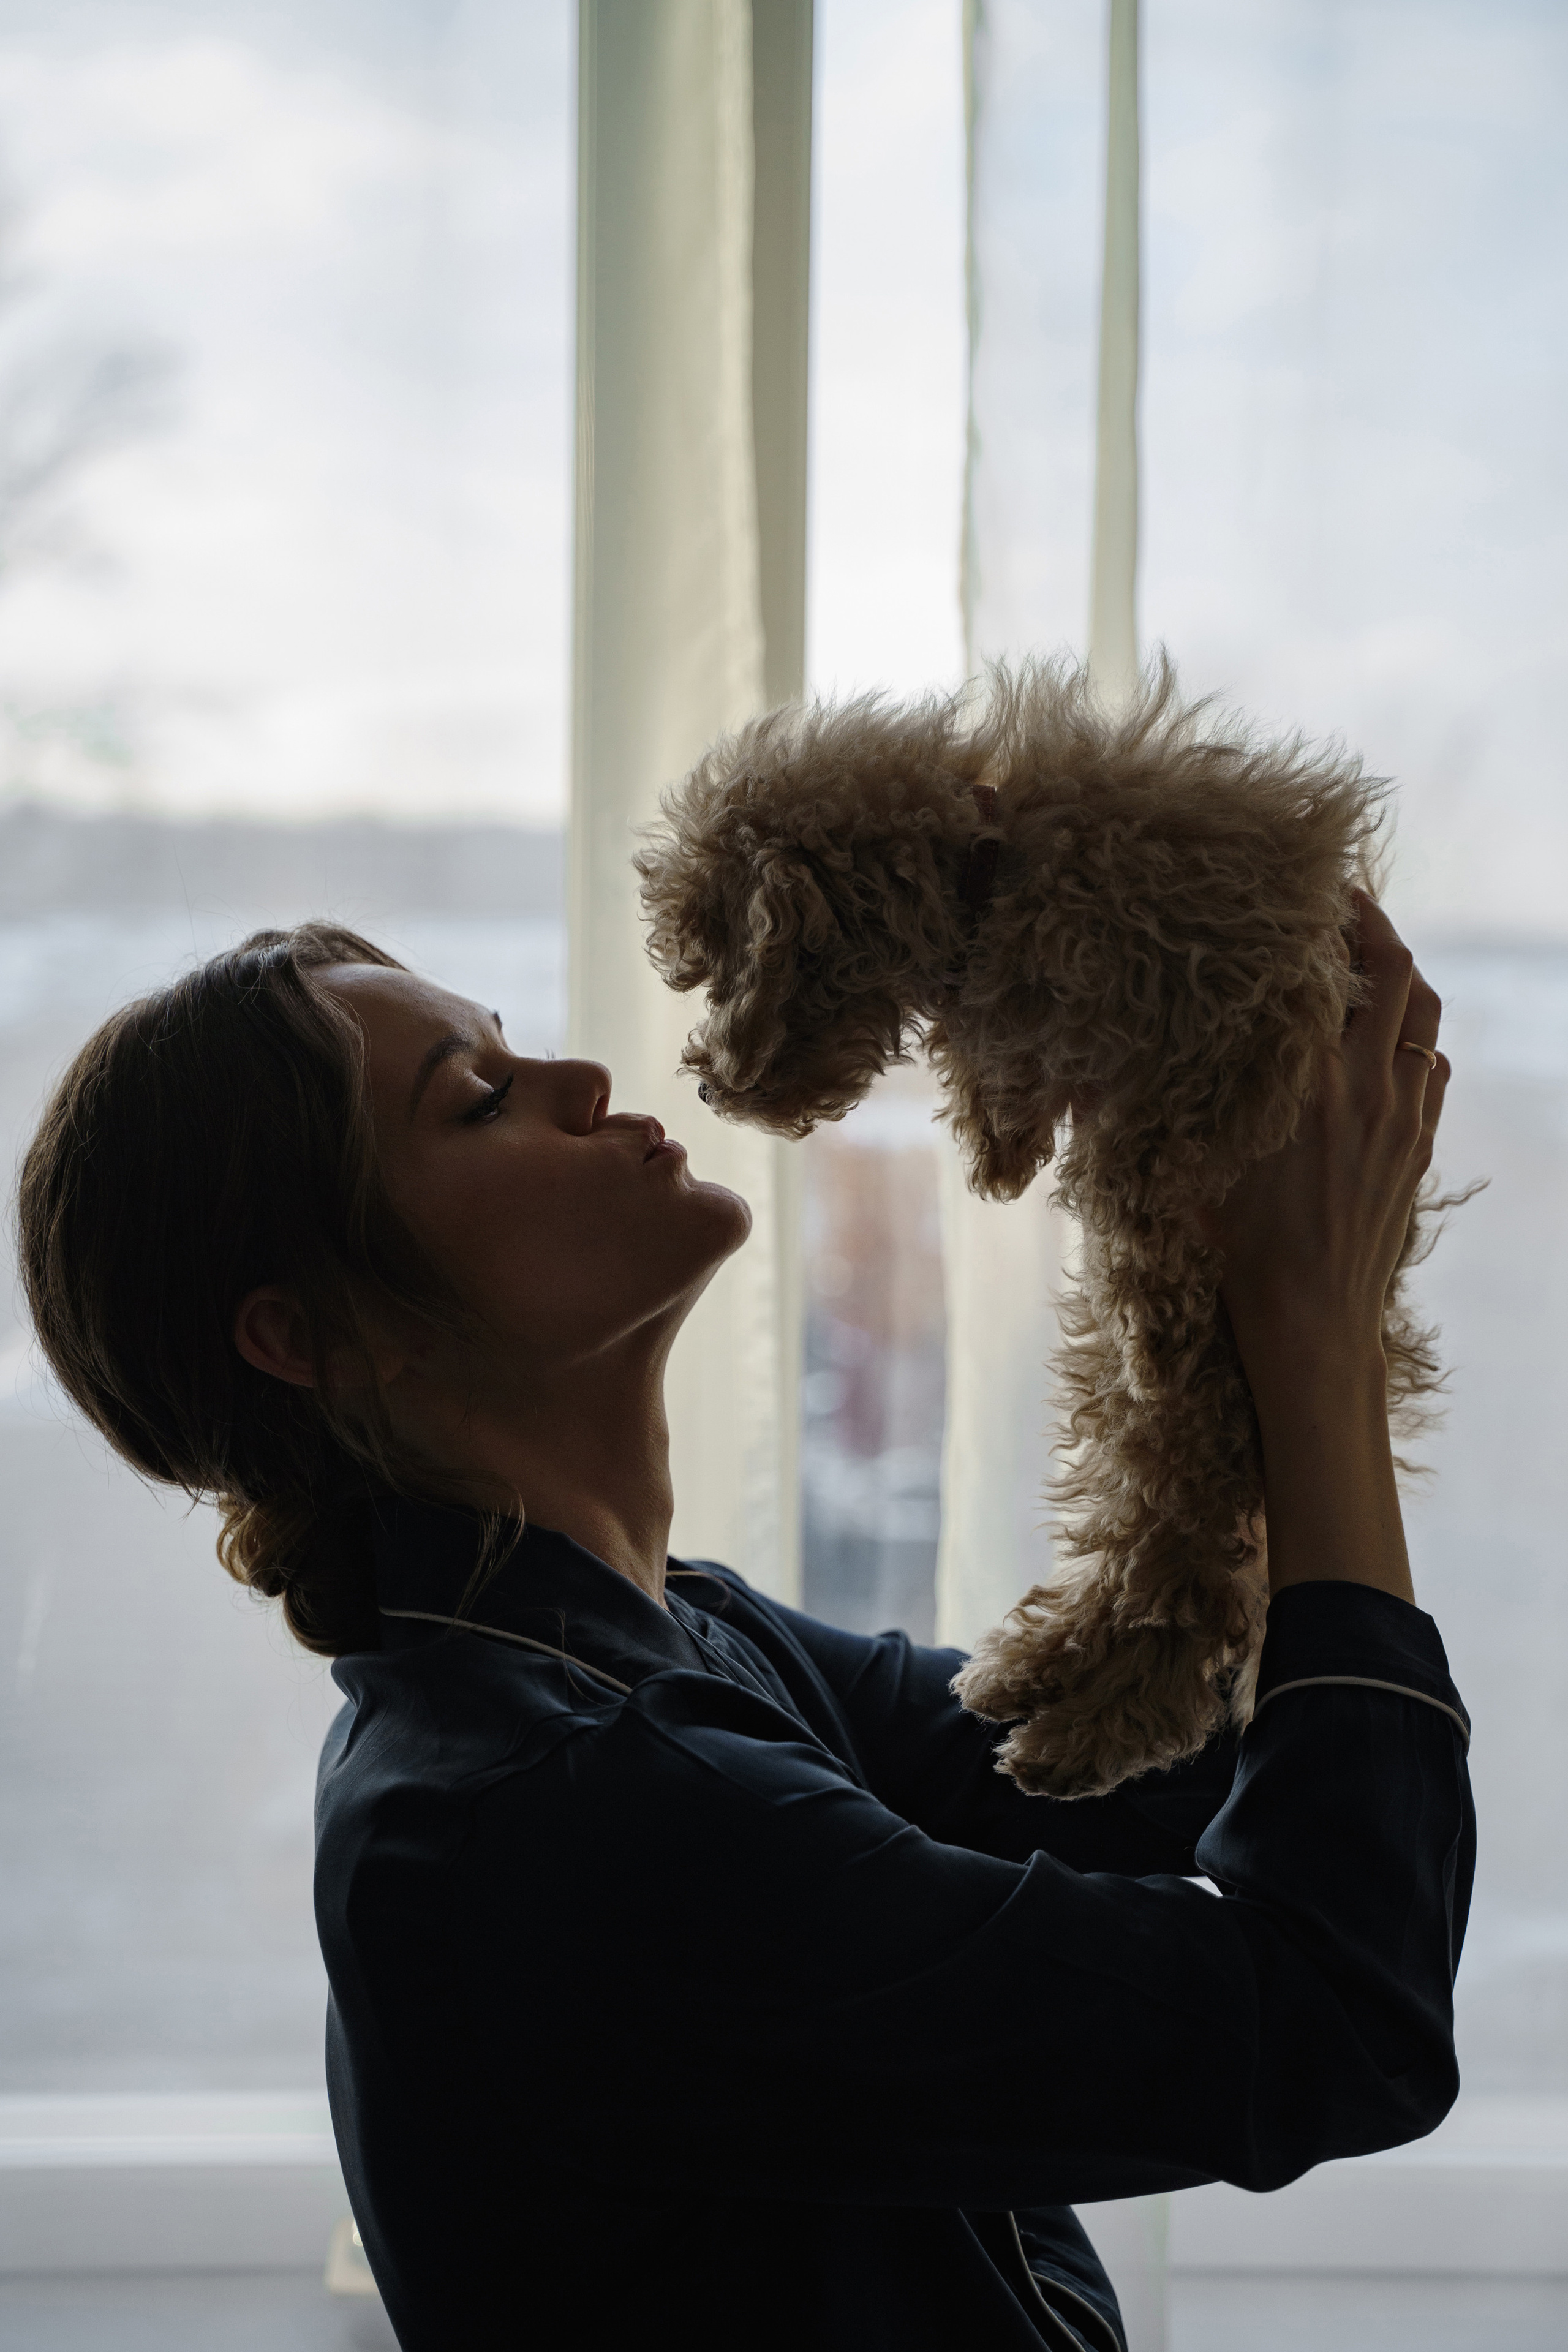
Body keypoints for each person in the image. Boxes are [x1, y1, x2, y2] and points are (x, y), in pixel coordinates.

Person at [17, 893, 1472, 2352]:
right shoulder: (571, 1811)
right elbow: (1338, 2021)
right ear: (316, 1336)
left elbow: (1166, 1753)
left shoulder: (658, 1643)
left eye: (510, 1051)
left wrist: (1197, 1238)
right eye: (475, 1104)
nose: (580, 1082)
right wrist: (1309, 1336)